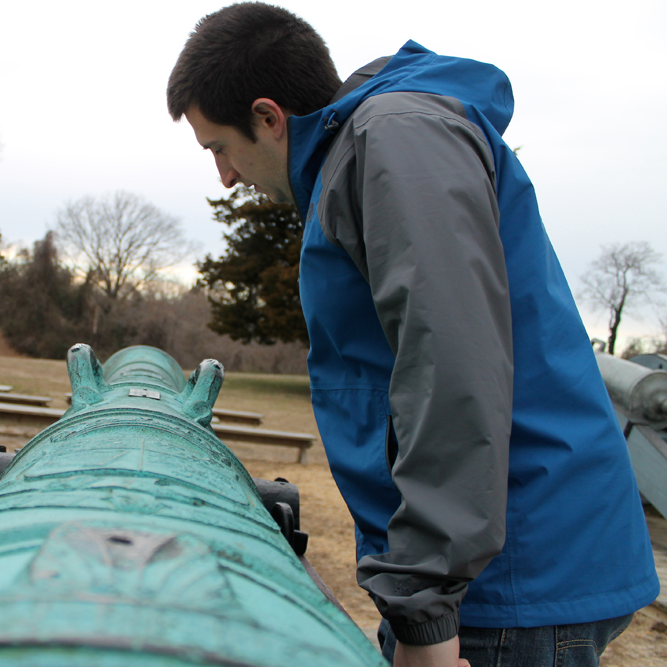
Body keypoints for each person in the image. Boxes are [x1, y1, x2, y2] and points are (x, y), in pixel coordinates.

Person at [167, 4, 659, 667]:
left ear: (267, 116)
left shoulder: (394, 141)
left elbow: (452, 365)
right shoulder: (365, 151)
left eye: (218, 148)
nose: (224, 175)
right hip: (481, 575)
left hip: (509, 578)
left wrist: (426, 611)